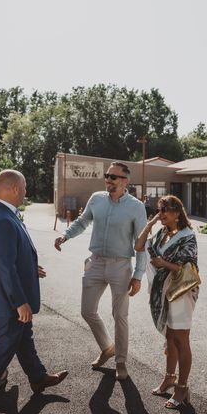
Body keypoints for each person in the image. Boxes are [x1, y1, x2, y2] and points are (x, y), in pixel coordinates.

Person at [0, 170, 68, 414]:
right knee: (2, 350)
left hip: (7, 296)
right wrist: (19, 301)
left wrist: (31, 269)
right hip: (7, 301)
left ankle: (38, 377)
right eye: (23, 187)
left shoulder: (2, 214)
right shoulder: (1, 219)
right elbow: (4, 265)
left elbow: (10, 257)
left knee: (24, 337)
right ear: (12, 189)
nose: (25, 191)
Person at [54, 162, 147, 381]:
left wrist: (138, 275)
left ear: (125, 181)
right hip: (95, 263)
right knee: (87, 311)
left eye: (113, 177)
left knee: (120, 316)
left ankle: (121, 362)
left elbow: (142, 243)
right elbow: (82, 221)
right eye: (107, 176)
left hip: (121, 266)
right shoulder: (96, 199)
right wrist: (65, 235)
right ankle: (107, 347)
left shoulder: (136, 207)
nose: (108, 180)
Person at [135, 195, 198, 409]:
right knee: (170, 338)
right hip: (162, 292)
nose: (160, 214)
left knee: (181, 340)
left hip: (181, 292)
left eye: (165, 210)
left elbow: (187, 269)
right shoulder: (162, 233)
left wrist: (163, 263)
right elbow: (139, 245)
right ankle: (169, 377)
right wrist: (150, 224)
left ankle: (182, 387)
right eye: (159, 210)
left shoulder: (188, 236)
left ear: (177, 213)